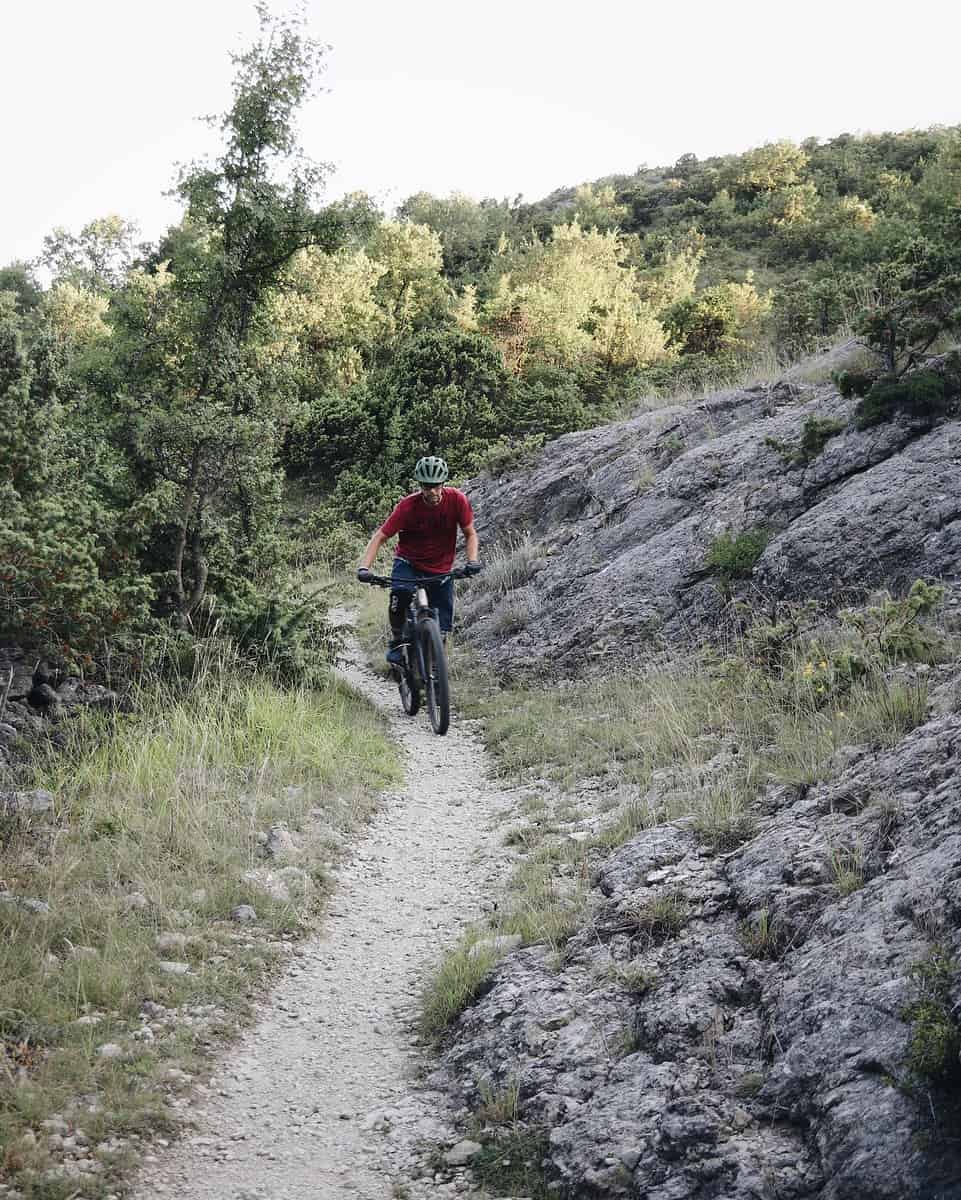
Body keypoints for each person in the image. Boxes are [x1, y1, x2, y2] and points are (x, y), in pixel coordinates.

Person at [356, 456, 482, 664]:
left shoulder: (457, 500)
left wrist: (472, 560)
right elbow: (381, 537)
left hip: (441, 569)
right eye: (426, 486)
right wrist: (364, 567)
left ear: (443, 483)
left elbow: (470, 533)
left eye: (435, 485)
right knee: (400, 594)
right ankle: (397, 642)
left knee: (441, 629)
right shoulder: (407, 507)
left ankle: (432, 677)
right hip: (409, 563)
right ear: (420, 485)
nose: (431, 491)